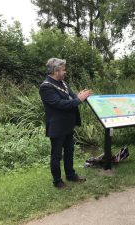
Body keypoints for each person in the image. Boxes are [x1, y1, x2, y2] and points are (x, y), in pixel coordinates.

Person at [39, 58, 92, 189]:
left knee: (69, 151)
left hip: (68, 125)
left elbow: (72, 98)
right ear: (55, 71)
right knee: (56, 156)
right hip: (57, 127)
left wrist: (80, 96)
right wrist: (78, 99)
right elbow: (60, 104)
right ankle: (57, 181)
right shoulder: (46, 87)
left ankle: (71, 175)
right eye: (63, 70)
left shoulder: (63, 83)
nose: (65, 72)